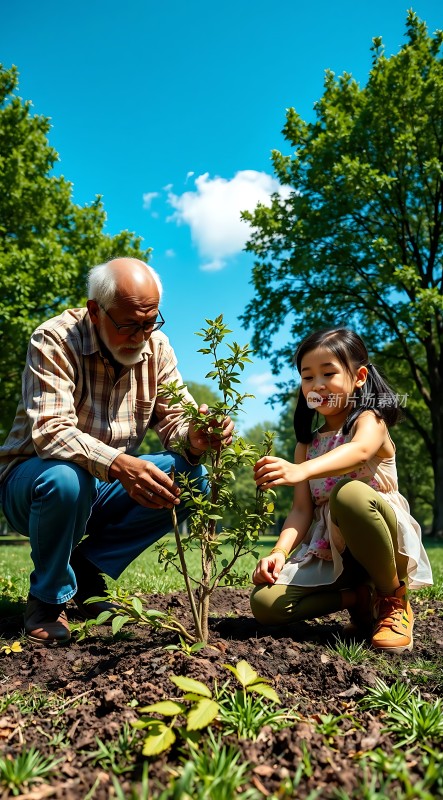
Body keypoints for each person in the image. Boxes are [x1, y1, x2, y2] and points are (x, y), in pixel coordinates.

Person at [0, 257, 233, 645]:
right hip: (34, 484)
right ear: (95, 311)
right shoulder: (55, 339)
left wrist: (196, 436)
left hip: (103, 485)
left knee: (192, 478)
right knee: (66, 477)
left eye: (150, 322)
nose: (141, 335)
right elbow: (51, 432)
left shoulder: (157, 347)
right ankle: (47, 598)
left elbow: (175, 420)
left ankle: (87, 568)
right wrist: (119, 464)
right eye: (129, 324)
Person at [251, 328, 432, 653]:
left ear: (359, 376)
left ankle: (393, 599)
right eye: (308, 377)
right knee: (265, 603)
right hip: (334, 553)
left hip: (385, 548)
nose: (317, 385)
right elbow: (302, 511)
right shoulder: (306, 445)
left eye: (328, 373)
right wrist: (277, 553)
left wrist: (301, 470)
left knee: (348, 494)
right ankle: (360, 598)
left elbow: (360, 452)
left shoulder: (370, 421)